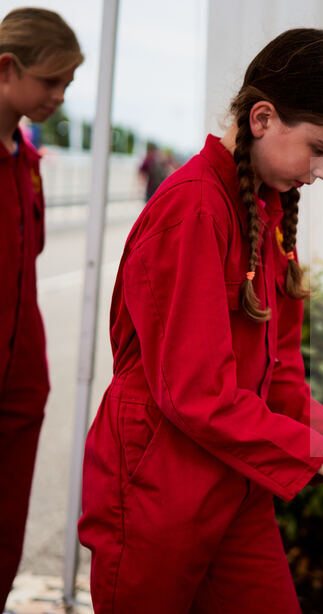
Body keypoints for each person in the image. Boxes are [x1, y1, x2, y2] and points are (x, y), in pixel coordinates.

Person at [78, 29, 323, 613]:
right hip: (158, 487)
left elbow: (278, 376)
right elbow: (198, 393)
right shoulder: (194, 211)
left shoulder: (264, 210)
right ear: (262, 118)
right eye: (320, 149)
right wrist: (322, 456)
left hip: (233, 484)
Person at [0, 7, 82, 609]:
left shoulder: (28, 163)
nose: (59, 96)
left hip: (19, 394)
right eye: (50, 81)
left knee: (4, 538)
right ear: (7, 69)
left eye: (68, 85)